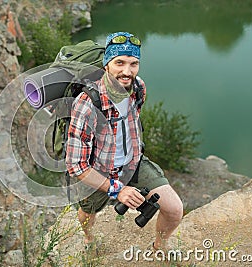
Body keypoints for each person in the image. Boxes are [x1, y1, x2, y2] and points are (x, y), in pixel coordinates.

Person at [65, 31, 183, 252]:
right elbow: (75, 165)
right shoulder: (87, 104)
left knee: (175, 209)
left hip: (132, 163)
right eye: (119, 62)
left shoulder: (138, 87)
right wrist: (117, 190)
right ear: (107, 63)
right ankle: (89, 238)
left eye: (134, 63)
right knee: (88, 212)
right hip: (98, 170)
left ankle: (159, 247)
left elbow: (132, 122)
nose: (127, 71)